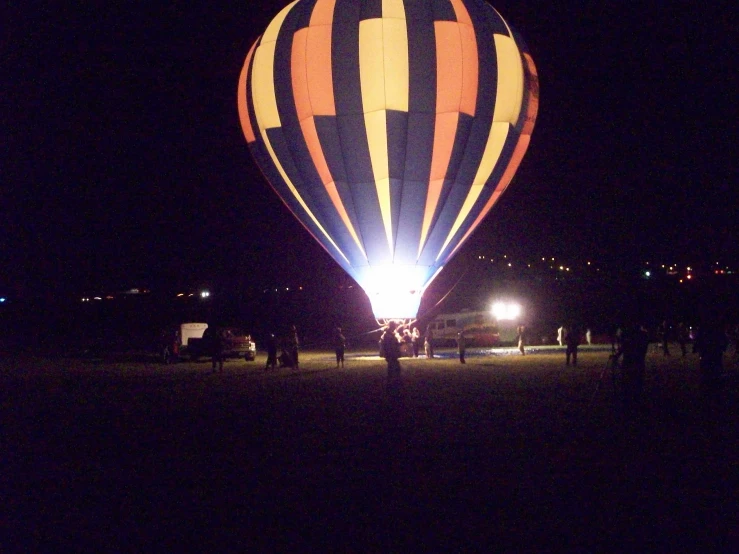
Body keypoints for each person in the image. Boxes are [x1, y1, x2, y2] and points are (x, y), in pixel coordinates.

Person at [616, 323, 650, 408]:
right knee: (636, 382)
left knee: (629, 382)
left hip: (630, 362)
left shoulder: (633, 336)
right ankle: (635, 401)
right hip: (638, 362)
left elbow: (624, 347)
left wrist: (617, 354)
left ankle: (630, 402)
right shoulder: (643, 335)